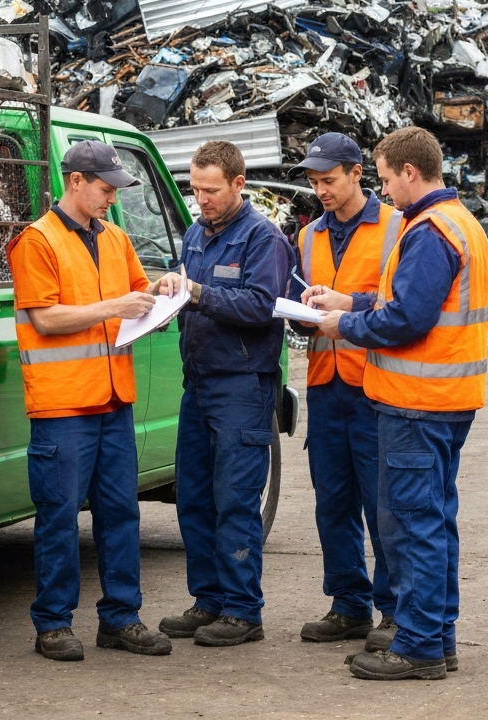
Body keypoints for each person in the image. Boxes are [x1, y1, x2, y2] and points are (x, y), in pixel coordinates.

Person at [315, 127, 488, 680]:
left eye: (387, 179)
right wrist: (355, 300)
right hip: (445, 399)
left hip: (417, 403)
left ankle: (416, 646)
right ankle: (438, 638)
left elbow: (407, 319)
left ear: (410, 172)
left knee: (412, 526)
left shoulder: (429, 229)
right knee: (434, 522)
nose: (385, 190)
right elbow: (409, 299)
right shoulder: (459, 222)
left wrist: (344, 323)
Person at [7, 140, 180, 662]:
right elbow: (45, 318)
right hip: (63, 407)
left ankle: (121, 618)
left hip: (111, 400)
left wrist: (161, 287)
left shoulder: (116, 238)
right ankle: (53, 624)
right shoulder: (36, 242)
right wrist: (117, 305)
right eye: (105, 189)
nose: (111, 198)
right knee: (59, 516)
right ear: (75, 181)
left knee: (120, 512)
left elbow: (134, 294)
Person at [157, 141, 292, 647]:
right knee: (193, 496)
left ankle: (242, 611)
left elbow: (262, 306)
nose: (201, 200)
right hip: (200, 384)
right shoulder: (197, 233)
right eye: (195, 189)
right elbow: (185, 285)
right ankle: (209, 599)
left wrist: (196, 293)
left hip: (242, 385)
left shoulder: (264, 239)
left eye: (211, 190)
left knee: (235, 499)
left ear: (239, 184)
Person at [288, 133, 401, 643]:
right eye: (314, 182)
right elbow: (306, 306)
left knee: (385, 505)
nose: (321, 190)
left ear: (359, 173)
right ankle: (348, 603)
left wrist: (346, 301)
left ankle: (395, 610)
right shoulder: (309, 234)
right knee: (332, 501)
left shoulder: (398, 227)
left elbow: (403, 302)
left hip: (375, 382)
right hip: (325, 385)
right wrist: (306, 314)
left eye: (329, 180)